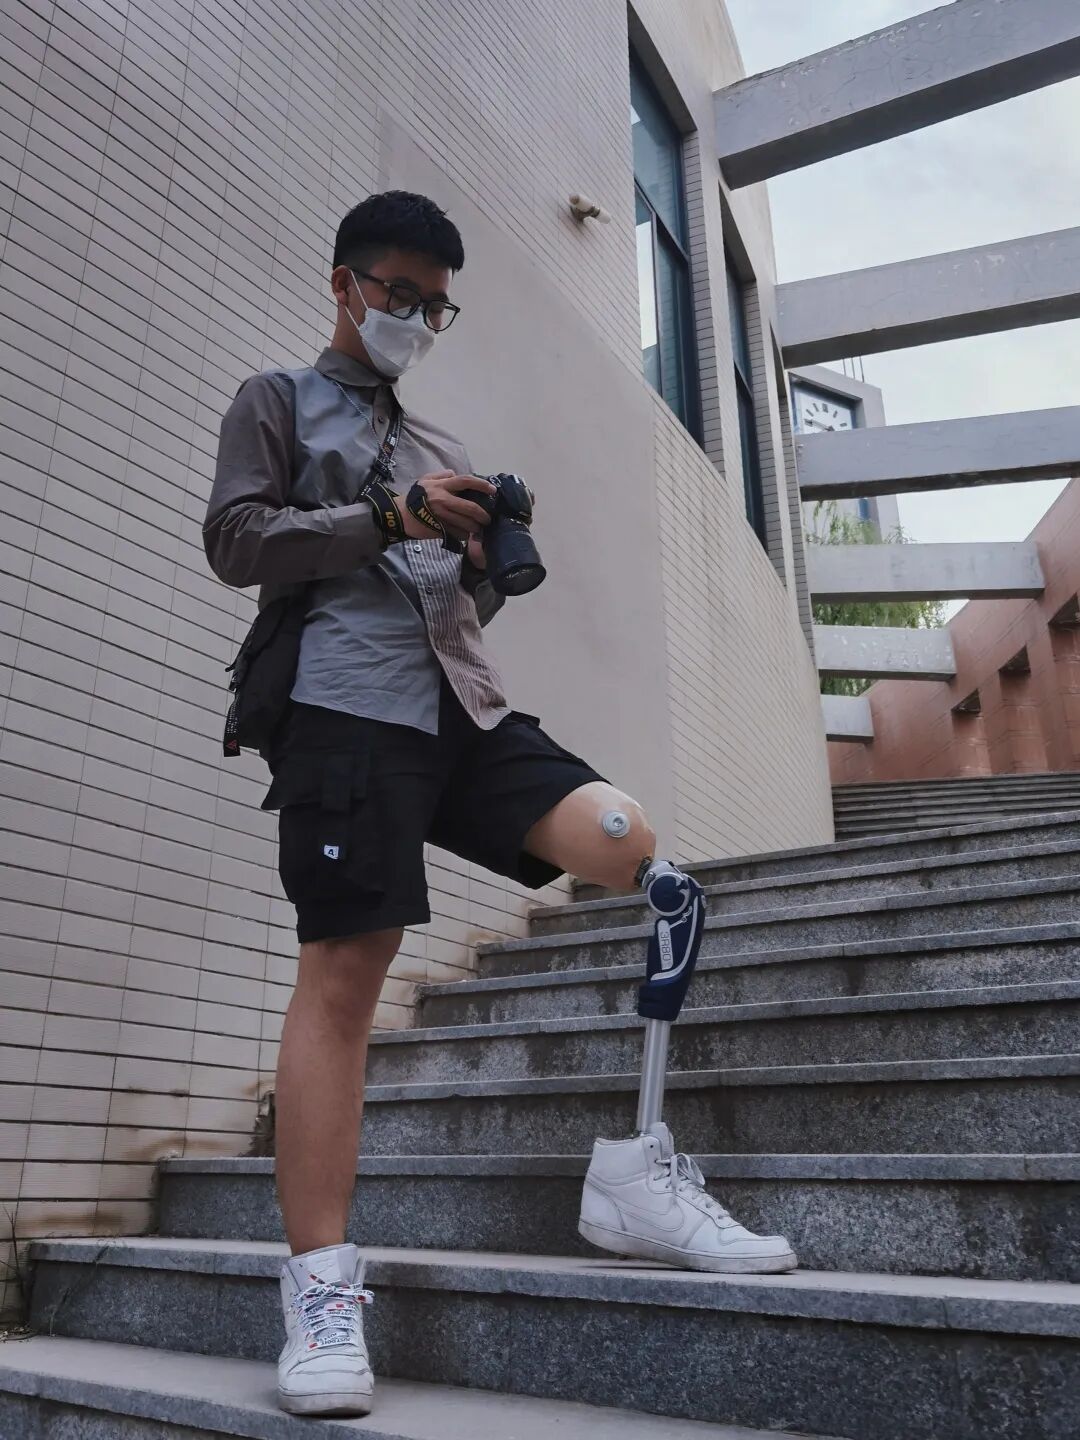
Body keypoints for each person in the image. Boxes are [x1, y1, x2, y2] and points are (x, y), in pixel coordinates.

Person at [204, 190, 792, 1421]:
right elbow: (239, 542)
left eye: (437, 305)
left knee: (641, 856)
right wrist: (386, 516)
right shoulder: (276, 400)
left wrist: (476, 563)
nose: (418, 318)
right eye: (400, 294)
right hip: (341, 715)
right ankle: (321, 1293)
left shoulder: (437, 440)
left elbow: (450, 608)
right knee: (345, 976)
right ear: (345, 284)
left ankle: (633, 1180)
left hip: (458, 709)